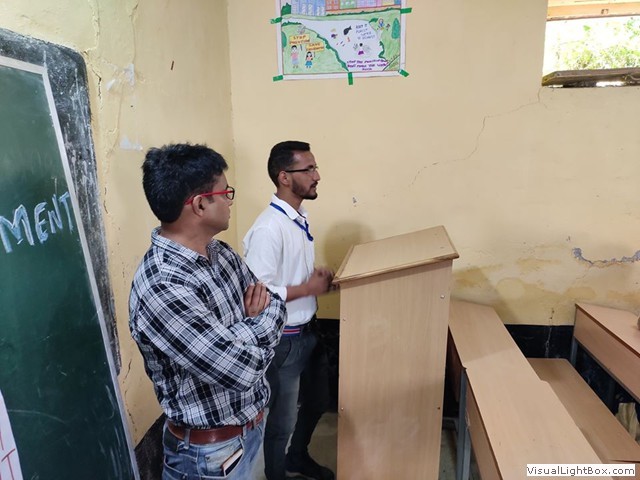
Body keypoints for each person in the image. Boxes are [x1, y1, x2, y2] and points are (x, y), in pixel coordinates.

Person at [129, 143, 286, 480]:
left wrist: (232, 337)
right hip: (209, 457)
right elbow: (242, 371)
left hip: (249, 429)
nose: (230, 201)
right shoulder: (163, 287)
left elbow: (275, 304)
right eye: (225, 193)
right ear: (200, 204)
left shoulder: (220, 253)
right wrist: (252, 324)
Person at [243, 141, 334, 480]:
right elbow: (257, 293)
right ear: (284, 177)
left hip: (310, 330)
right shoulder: (269, 228)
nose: (317, 176)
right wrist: (307, 289)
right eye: (308, 169)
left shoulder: (298, 217)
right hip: (285, 340)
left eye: (315, 167)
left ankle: (297, 457)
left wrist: (320, 283)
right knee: (281, 422)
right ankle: (276, 474)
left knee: (318, 401)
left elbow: (291, 276)